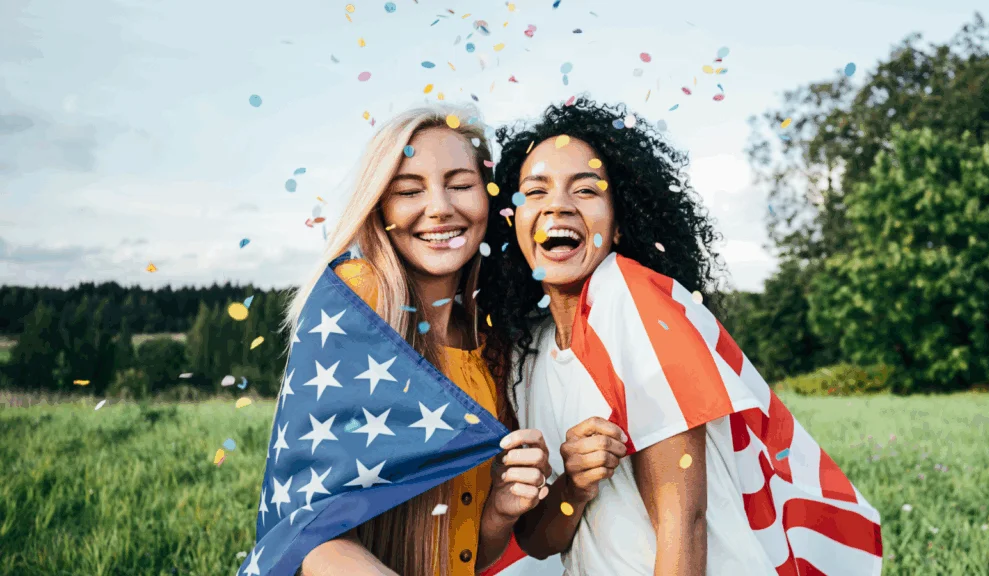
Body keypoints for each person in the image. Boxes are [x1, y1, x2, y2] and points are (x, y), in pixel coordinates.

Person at [479, 98, 882, 575]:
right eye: (535, 191)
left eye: (586, 190)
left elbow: (683, 525)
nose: (558, 205)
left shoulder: (633, 303)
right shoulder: (529, 350)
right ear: (511, 219)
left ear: (620, 220)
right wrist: (575, 487)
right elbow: (539, 540)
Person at [290, 104, 555, 576]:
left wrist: (498, 509)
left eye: (460, 185)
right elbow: (310, 531)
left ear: (490, 198)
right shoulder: (358, 296)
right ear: (380, 207)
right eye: (409, 190)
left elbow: (469, 554)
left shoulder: (487, 338)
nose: (439, 207)